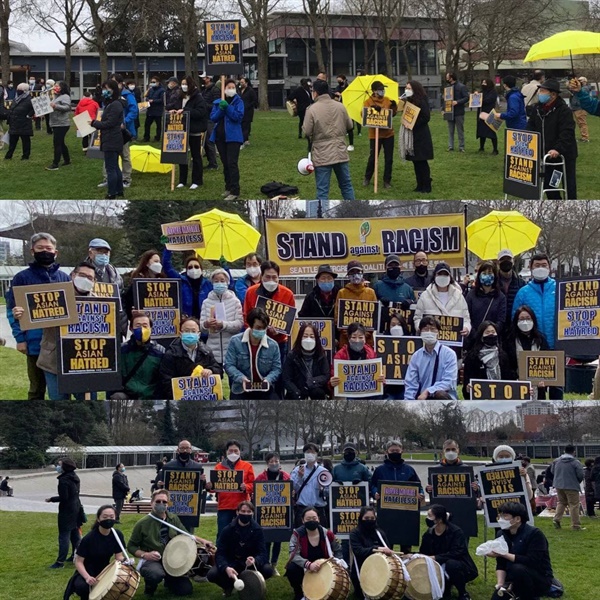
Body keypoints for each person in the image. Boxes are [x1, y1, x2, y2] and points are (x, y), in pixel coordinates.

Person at [6, 232, 71, 400]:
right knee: (36, 389)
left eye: (48, 248)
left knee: (61, 390)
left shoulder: (64, 278)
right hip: (34, 344)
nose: (45, 251)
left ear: (56, 252)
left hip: (59, 343)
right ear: (32, 251)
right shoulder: (21, 278)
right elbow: (11, 311)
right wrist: (20, 339)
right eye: (40, 248)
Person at [127, 488, 214, 597]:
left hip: (173, 561)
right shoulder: (142, 523)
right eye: (158, 501)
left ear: (168, 504)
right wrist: (145, 555)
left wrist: (203, 541)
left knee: (185, 590)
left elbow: (186, 535)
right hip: (154, 560)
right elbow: (131, 546)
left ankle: (169, 580)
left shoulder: (173, 518)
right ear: (151, 503)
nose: (161, 504)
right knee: (155, 574)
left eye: (164, 502)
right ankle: (150, 587)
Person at [31, 262, 98, 400]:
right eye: (82, 275)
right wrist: (21, 313)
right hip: (54, 363)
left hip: (85, 365)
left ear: (94, 281)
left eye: (90, 278)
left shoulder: (100, 302)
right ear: (73, 275)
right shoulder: (55, 296)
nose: (86, 279)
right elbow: (32, 316)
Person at [486, 501, 554, 600]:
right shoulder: (501, 534)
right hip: (512, 578)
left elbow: (532, 561)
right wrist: (500, 584)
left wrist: (504, 554)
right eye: (500, 516)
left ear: (517, 519)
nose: (500, 519)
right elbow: (501, 563)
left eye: (505, 516)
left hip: (537, 577)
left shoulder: (535, 534)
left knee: (518, 569)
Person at [303, 79, 355, 201]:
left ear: (315, 92)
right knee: (346, 186)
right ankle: (354, 212)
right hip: (340, 150)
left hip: (322, 154)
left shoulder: (312, 109)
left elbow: (306, 131)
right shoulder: (340, 106)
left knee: (322, 190)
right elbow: (350, 125)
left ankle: (321, 217)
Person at [208, 501, 273, 593]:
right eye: (243, 511)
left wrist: (255, 560)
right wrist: (226, 568)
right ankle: (228, 586)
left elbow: (263, 553)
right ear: (237, 512)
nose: (246, 514)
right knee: (212, 574)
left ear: (252, 513)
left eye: (249, 512)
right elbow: (220, 553)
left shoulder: (258, 530)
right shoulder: (227, 530)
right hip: (232, 563)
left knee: (268, 570)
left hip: (249, 565)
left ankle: (251, 585)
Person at [527, 78, 577, 199]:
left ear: (553, 94)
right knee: (549, 187)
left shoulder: (564, 110)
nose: (540, 94)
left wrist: (557, 149)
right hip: (545, 156)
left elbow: (567, 132)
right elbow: (530, 127)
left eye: (543, 91)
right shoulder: (537, 109)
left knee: (568, 185)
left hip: (562, 156)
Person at [64, 505, 127, 600]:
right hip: (86, 571)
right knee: (83, 587)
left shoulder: (117, 535)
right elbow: (78, 562)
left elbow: (119, 556)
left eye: (111, 517)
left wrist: (126, 561)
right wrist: (87, 577)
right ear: (98, 519)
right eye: (105, 517)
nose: (108, 519)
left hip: (105, 570)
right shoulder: (89, 538)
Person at [419, 504, 478, 600]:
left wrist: (436, 557)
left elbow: (458, 552)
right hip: (437, 565)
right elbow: (424, 552)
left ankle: (463, 593)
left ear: (440, 519)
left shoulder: (456, 532)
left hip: (459, 564)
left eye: (430, 516)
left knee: (452, 565)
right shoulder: (428, 534)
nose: (427, 518)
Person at [243, 260, 295, 366]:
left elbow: (290, 321)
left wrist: (280, 331)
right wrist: (256, 331)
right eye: (267, 277)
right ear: (261, 276)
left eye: (274, 277)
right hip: (255, 340)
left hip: (279, 342)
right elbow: (245, 316)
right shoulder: (251, 292)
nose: (271, 280)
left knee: (278, 372)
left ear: (279, 277)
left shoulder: (288, 294)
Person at [285, 506, 344, 600]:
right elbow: (293, 555)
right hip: (305, 566)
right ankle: (299, 592)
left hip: (325, 565)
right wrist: (308, 565)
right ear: (303, 521)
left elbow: (338, 549)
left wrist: (338, 561)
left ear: (319, 519)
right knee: (292, 569)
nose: (311, 520)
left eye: (314, 518)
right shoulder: (297, 534)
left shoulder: (327, 534)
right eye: (308, 519)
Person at [159, 316, 223, 399]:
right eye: (186, 331)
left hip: (205, 396)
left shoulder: (206, 351)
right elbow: (166, 381)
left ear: (199, 334)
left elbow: (219, 371)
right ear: (180, 334)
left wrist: (211, 370)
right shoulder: (171, 354)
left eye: (193, 331)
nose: (190, 334)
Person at [224, 307, 282, 399]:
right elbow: (229, 365)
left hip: (265, 390)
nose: (261, 331)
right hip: (240, 389)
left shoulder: (273, 345)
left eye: (264, 328)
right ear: (250, 326)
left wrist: (268, 380)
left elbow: (277, 369)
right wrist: (241, 378)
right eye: (258, 328)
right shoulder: (235, 341)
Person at [205, 440, 255, 540]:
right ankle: (221, 554)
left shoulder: (248, 466)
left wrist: (246, 487)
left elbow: (254, 485)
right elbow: (215, 487)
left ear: (240, 452)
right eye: (230, 451)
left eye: (236, 451)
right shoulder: (218, 467)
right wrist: (209, 487)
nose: (233, 453)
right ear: (226, 452)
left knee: (243, 534)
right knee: (223, 534)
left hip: (242, 507)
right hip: (224, 506)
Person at [112, 310, 165, 400]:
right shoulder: (121, 350)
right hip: (127, 394)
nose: (142, 329)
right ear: (131, 329)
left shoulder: (160, 351)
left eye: (145, 326)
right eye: (138, 326)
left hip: (150, 395)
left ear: (151, 328)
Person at [404, 316, 458, 399]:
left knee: (440, 394)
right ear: (420, 332)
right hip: (422, 400)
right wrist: (409, 403)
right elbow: (411, 383)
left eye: (433, 329)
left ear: (438, 333)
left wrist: (428, 391)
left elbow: (449, 382)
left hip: (444, 399)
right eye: (425, 329)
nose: (429, 332)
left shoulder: (449, 354)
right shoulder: (416, 356)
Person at [512, 253, 558, 349]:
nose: (540, 268)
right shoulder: (523, 293)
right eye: (537, 265)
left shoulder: (559, 288)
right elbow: (515, 318)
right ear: (531, 268)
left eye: (544, 265)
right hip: (534, 345)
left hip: (557, 344)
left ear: (549, 267)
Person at [254, 452, 291, 573]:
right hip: (265, 514)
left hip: (281, 513)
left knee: (278, 540)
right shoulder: (260, 477)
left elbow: (290, 492)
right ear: (267, 463)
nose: (274, 463)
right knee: (266, 540)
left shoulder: (285, 476)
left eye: (276, 461)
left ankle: (274, 564)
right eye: (271, 461)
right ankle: (265, 564)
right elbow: (255, 493)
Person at [414, 262, 471, 337]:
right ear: (434, 276)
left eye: (445, 274)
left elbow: (466, 318)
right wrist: (420, 328)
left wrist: (466, 328)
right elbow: (418, 317)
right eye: (440, 274)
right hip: (431, 340)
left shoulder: (459, 296)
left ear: (450, 277)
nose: (442, 277)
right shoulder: (425, 296)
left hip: (453, 343)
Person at [200, 269, 243, 367]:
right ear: (212, 283)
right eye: (216, 281)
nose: (219, 283)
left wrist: (223, 325)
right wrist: (206, 324)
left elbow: (239, 324)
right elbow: (201, 328)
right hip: (212, 350)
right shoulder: (206, 302)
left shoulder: (235, 301)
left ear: (227, 282)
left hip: (231, 349)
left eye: (222, 281)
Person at [210, 78, 244, 200]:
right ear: (224, 89)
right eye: (228, 87)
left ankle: (235, 190)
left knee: (232, 163)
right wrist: (221, 109)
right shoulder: (218, 102)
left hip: (233, 137)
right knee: (225, 163)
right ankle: (228, 187)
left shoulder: (238, 102)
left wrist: (228, 108)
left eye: (232, 87)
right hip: (220, 137)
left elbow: (238, 117)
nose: (230, 89)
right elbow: (213, 117)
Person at [172, 75, 208, 190]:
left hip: (194, 130)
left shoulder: (198, 98)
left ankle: (197, 180)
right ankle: (182, 180)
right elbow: (174, 106)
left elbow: (200, 112)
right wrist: (173, 110)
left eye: (185, 84)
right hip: (181, 130)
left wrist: (186, 111)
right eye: (182, 84)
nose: (183, 86)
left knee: (196, 155)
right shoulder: (180, 96)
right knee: (181, 156)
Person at [46, 458, 83, 568]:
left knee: (64, 536)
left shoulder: (63, 480)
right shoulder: (75, 477)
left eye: (59, 465)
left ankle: (60, 562)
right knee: (75, 535)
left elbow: (64, 497)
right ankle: (76, 555)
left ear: (64, 467)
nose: (58, 466)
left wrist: (51, 499)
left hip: (67, 511)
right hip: (76, 508)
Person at [330, 322, 384, 397]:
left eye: (361, 337)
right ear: (349, 338)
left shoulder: (371, 353)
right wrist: (332, 382)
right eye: (354, 337)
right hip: (348, 395)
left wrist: (381, 380)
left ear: (365, 338)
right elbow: (333, 378)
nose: (357, 340)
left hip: (368, 393)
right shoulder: (340, 355)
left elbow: (379, 376)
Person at [90, 80, 124, 199]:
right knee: (115, 166)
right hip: (113, 138)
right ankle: (119, 190)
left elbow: (109, 123)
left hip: (111, 138)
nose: (105, 91)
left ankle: (112, 192)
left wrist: (94, 123)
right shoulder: (112, 103)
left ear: (113, 90)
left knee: (111, 168)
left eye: (107, 88)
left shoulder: (115, 105)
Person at [462, 321, 514, 399]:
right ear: (481, 336)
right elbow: (466, 384)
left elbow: (510, 381)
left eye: (493, 332)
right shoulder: (472, 357)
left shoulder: (503, 356)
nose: (491, 334)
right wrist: (468, 388)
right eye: (487, 332)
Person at [398, 79, 434, 192]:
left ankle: (426, 185)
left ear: (415, 89)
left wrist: (413, 124)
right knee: (416, 161)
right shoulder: (409, 100)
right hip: (412, 134)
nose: (407, 90)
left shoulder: (422, 100)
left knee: (422, 161)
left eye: (409, 88)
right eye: (406, 88)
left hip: (421, 134)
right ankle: (419, 184)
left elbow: (426, 117)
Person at [348, 506, 392, 599]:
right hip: (361, 570)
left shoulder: (379, 533)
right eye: (366, 518)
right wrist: (376, 548)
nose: (369, 520)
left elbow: (387, 549)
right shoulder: (355, 533)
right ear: (361, 518)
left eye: (372, 518)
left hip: (379, 570)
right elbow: (359, 551)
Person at [362, 80, 398, 188]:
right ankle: (367, 178)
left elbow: (392, 115)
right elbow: (364, 114)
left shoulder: (387, 100)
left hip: (388, 134)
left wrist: (394, 107)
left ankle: (387, 180)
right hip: (375, 135)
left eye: (383, 89)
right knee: (373, 158)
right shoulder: (368, 102)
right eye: (380, 90)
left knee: (389, 159)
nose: (382, 91)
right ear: (374, 91)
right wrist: (373, 110)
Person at [334, 260, 377, 349]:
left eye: (358, 272)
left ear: (362, 273)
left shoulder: (371, 293)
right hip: (346, 343)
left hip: (367, 342)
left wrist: (363, 336)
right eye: (352, 272)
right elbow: (337, 318)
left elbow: (374, 319)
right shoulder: (342, 293)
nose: (355, 275)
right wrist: (351, 336)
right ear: (348, 275)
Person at [283, 323, 330, 399]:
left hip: (315, 389)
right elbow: (286, 379)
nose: (308, 339)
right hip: (297, 390)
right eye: (305, 336)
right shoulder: (292, 355)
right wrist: (297, 392)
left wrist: (311, 382)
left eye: (312, 336)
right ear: (300, 338)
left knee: (318, 393)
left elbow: (326, 375)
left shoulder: (321, 355)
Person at [465, 261, 506, 347]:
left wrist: (490, 333)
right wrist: (476, 334)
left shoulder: (500, 297)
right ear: (479, 275)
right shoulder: (471, 295)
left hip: (493, 340)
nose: (487, 275)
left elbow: (501, 320)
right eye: (484, 273)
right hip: (474, 341)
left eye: (490, 273)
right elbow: (467, 316)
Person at [161, 249, 211, 319]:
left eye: (196, 267)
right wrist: (168, 249)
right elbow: (167, 266)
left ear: (201, 269)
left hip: (204, 321)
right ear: (186, 270)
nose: (193, 269)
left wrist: (225, 267)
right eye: (190, 267)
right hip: (185, 320)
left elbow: (227, 284)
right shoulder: (180, 280)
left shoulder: (208, 284)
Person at [122, 250, 167, 321]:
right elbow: (128, 300)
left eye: (159, 262)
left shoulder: (163, 279)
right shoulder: (138, 280)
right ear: (146, 263)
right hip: (142, 320)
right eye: (155, 261)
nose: (159, 264)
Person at [290, 444, 329, 526]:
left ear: (316, 454)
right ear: (304, 454)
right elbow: (293, 489)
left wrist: (323, 489)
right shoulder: (297, 470)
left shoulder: (324, 471)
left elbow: (328, 492)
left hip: (318, 508)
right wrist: (300, 477)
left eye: (312, 452)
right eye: (308, 452)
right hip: (302, 508)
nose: (310, 454)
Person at [110, 73, 138, 187]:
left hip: (123, 129)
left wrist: (124, 122)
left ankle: (126, 178)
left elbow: (134, 111)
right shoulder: (111, 95)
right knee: (110, 154)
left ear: (120, 83)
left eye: (114, 82)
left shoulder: (127, 95)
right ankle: (109, 177)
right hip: (111, 128)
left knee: (124, 154)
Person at [550, 444, 585, 531]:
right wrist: (577, 481)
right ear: (574, 452)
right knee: (574, 505)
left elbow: (552, 471)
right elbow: (580, 475)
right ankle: (575, 525)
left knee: (561, 502)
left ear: (564, 451)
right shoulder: (575, 462)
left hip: (559, 485)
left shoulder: (556, 461)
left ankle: (556, 519)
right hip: (571, 486)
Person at [496, 249, 525, 338]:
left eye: (508, 259)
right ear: (498, 263)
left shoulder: (521, 283)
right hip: (498, 327)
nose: (506, 262)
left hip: (516, 327)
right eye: (502, 259)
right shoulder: (493, 283)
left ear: (513, 261)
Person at [1, 82, 34, 160]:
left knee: (25, 141)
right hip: (14, 123)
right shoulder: (16, 98)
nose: (18, 90)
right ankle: (9, 155)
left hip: (24, 123)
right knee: (12, 141)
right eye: (18, 89)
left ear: (25, 90)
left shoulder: (29, 99)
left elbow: (34, 109)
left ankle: (25, 156)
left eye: (20, 89)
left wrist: (29, 115)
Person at [44, 80, 72, 171]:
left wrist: (55, 106)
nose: (55, 87)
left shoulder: (65, 97)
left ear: (62, 87)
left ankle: (55, 163)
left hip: (62, 123)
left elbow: (67, 108)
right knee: (61, 142)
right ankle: (67, 160)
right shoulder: (55, 97)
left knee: (57, 143)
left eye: (57, 86)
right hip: (56, 122)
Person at [200, 73, 220, 170]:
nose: (202, 79)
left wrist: (204, 105)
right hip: (204, 118)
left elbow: (216, 106)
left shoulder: (214, 90)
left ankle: (213, 163)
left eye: (204, 78)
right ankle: (210, 162)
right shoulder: (205, 90)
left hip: (210, 119)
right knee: (205, 141)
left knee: (209, 141)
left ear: (208, 79)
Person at [445, 72, 469, 152]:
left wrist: (457, 102)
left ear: (451, 78)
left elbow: (466, 98)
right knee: (450, 130)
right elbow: (445, 100)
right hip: (449, 112)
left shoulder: (461, 87)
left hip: (459, 112)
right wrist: (443, 109)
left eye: (447, 77)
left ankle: (461, 147)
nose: (446, 78)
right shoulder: (447, 88)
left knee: (460, 130)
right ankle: (450, 146)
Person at [477, 78, 499, 154]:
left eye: (485, 83)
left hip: (490, 114)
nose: (483, 84)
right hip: (481, 113)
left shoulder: (493, 92)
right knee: (482, 131)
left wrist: (480, 99)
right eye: (482, 82)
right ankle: (481, 147)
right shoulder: (482, 92)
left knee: (491, 131)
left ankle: (495, 149)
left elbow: (488, 100)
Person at [143, 75, 165, 142]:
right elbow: (146, 96)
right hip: (150, 110)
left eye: (154, 82)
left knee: (158, 125)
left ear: (158, 82)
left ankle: (157, 137)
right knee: (147, 125)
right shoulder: (150, 89)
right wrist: (147, 99)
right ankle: (146, 137)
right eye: (151, 82)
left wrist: (153, 101)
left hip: (158, 110)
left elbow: (162, 100)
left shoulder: (162, 90)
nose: (152, 83)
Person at [569, 76, 590, 142]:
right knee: (578, 123)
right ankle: (583, 137)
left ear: (584, 82)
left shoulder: (585, 88)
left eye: (580, 81)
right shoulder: (578, 88)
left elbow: (580, 91)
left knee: (582, 123)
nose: (579, 82)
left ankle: (585, 138)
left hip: (580, 107)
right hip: (575, 107)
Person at [239, 77, 257, 146]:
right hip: (241, 110)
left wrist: (248, 106)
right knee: (242, 126)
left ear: (246, 83)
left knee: (245, 126)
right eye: (240, 82)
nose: (241, 83)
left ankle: (243, 140)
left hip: (248, 111)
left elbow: (254, 100)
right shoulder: (239, 90)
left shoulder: (250, 91)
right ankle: (245, 139)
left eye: (242, 82)